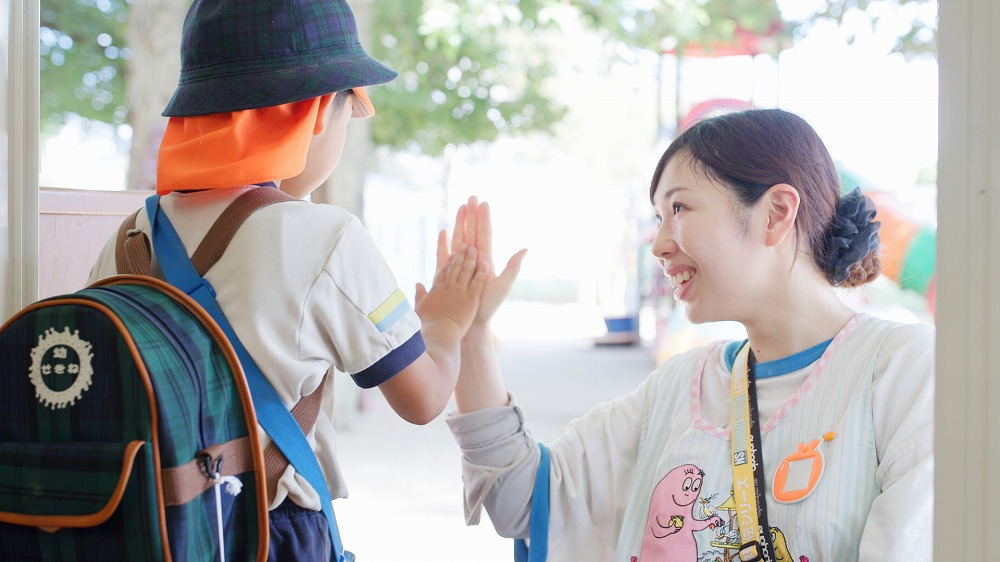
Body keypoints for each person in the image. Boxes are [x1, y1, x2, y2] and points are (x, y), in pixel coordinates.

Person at [439, 109, 935, 561]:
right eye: (659, 217)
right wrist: (470, 335)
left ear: (777, 213)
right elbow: (525, 500)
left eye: (679, 209)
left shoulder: (902, 371)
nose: (658, 244)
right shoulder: (679, 389)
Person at [87, 0, 486, 560]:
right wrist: (448, 318)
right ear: (321, 110)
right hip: (266, 532)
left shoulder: (130, 238)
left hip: (145, 526)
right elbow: (421, 398)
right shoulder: (326, 237)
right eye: (355, 109)